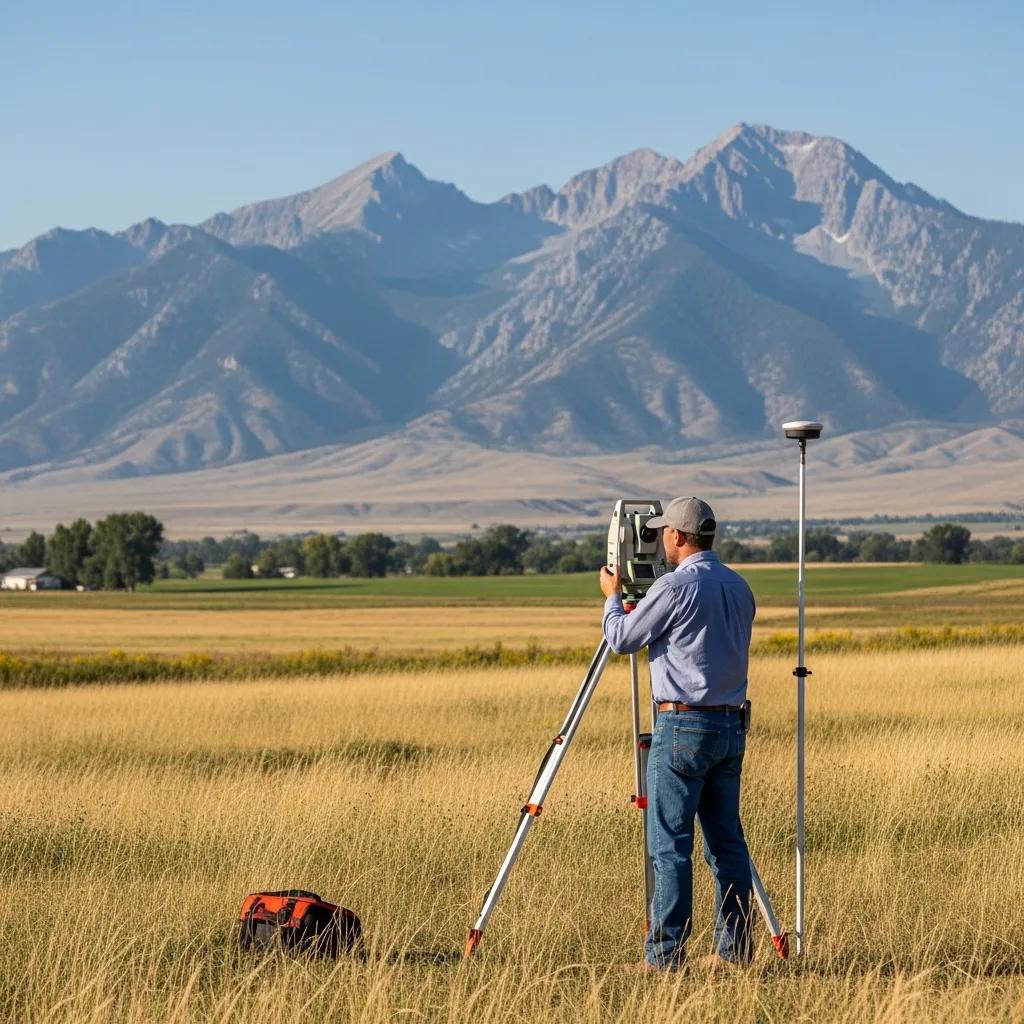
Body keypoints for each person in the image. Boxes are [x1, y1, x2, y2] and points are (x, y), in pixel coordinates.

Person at [599, 496, 756, 972]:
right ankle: (734, 953)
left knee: (669, 846)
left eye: (663, 532)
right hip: (730, 725)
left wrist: (611, 596)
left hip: (683, 723)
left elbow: (623, 639)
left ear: (678, 536)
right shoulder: (739, 585)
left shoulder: (673, 588)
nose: (659, 539)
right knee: (726, 845)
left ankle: (665, 956)